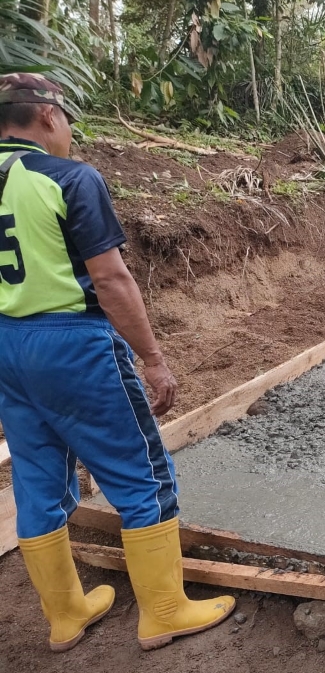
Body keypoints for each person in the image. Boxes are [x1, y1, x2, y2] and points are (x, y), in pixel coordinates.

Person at [0, 73, 234, 653]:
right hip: (72, 342)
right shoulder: (68, 178)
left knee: (34, 481)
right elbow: (109, 277)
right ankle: (164, 611)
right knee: (141, 471)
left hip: (7, 346)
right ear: (49, 117)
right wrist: (153, 359)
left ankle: (66, 614)